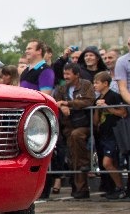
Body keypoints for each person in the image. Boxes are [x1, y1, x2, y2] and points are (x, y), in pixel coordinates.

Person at [53, 63, 96, 198]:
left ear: (77, 75)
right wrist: (61, 106)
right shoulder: (61, 89)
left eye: (68, 74)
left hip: (85, 124)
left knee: (76, 139)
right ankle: (79, 189)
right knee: (72, 157)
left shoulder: (86, 85)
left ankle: (82, 184)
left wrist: (68, 104)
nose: (65, 77)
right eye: (64, 74)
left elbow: (89, 101)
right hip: (68, 127)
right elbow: (56, 102)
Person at [92, 71, 127, 199]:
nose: (94, 85)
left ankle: (120, 187)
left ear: (105, 83)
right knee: (109, 163)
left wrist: (108, 108)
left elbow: (123, 113)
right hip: (103, 134)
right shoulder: (98, 99)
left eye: (97, 82)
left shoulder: (114, 96)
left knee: (108, 162)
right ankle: (115, 187)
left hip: (114, 133)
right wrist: (97, 108)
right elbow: (95, 121)